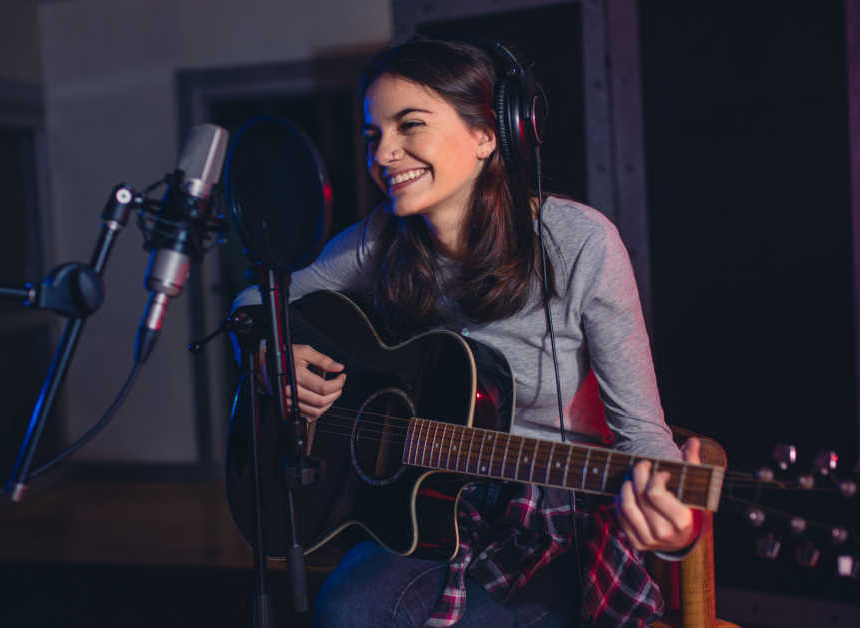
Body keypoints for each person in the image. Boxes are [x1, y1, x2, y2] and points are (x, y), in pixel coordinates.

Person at [232, 38, 702, 627]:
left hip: (553, 520)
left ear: (488, 135)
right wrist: (273, 356)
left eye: (410, 126)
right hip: (432, 505)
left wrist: (678, 525)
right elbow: (257, 299)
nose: (385, 154)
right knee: (348, 609)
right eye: (374, 135)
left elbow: (642, 432)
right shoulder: (381, 240)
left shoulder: (582, 243)